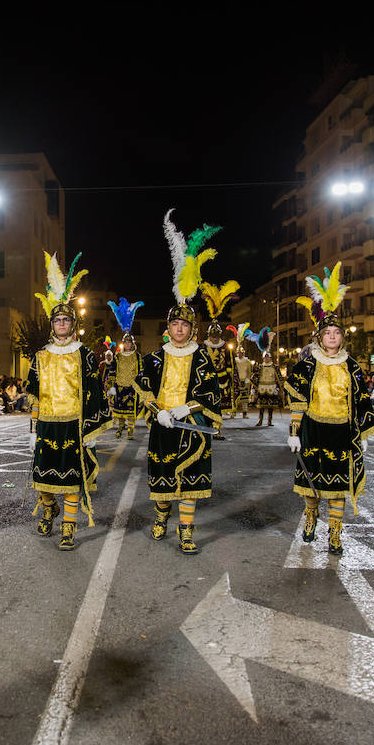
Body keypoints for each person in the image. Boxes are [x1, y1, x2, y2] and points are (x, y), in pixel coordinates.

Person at [137, 211, 226, 555]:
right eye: (175, 325)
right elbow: (144, 387)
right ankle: (161, 518)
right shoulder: (155, 357)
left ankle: (186, 530)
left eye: (185, 326)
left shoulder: (202, 356)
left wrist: (184, 407)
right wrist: (157, 410)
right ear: (169, 327)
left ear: (192, 329)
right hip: (162, 424)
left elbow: (209, 391)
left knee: (189, 483)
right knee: (162, 476)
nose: (180, 330)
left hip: (191, 425)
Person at [285, 264, 374, 555]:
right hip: (313, 431)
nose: (333, 337)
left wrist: (363, 432)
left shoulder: (352, 366)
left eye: (337, 333)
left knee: (338, 487)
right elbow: (299, 401)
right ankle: (311, 517)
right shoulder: (307, 365)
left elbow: (362, 399)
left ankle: (335, 534)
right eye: (328, 333)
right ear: (319, 338)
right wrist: (294, 432)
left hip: (342, 432)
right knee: (312, 485)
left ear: (342, 337)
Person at [26, 253, 111, 551]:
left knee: (74, 481)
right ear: (52, 324)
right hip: (48, 425)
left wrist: (90, 432)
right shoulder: (41, 356)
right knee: (45, 480)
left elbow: (95, 392)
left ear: (73, 324)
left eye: (66, 319)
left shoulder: (84, 354)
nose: (61, 323)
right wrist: (33, 428)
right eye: (57, 319)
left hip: (75, 426)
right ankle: (48, 508)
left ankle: (69, 528)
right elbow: (34, 392)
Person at [200, 279, 240, 439]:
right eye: (212, 336)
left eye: (217, 336)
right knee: (205, 407)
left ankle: (217, 430)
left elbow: (231, 366)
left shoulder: (225, 348)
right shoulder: (202, 348)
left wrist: (232, 382)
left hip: (222, 382)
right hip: (205, 382)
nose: (215, 339)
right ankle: (206, 429)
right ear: (209, 335)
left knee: (219, 408)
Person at [106, 298, 144, 440]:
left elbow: (141, 371)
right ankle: (120, 427)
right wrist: (110, 384)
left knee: (130, 410)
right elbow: (112, 370)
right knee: (120, 410)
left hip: (132, 387)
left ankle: (131, 430)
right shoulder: (117, 356)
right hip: (120, 386)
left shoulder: (137, 356)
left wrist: (140, 385)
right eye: (125, 343)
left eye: (129, 343)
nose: (127, 345)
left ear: (132, 344)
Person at [249, 330, 284, 428]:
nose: (267, 359)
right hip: (262, 388)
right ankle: (260, 420)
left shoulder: (275, 367)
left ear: (271, 358)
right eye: (265, 358)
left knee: (270, 407)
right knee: (261, 407)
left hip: (272, 387)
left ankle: (269, 420)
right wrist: (253, 386)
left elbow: (279, 377)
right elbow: (255, 376)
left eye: (268, 357)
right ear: (263, 358)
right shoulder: (260, 367)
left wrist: (280, 387)